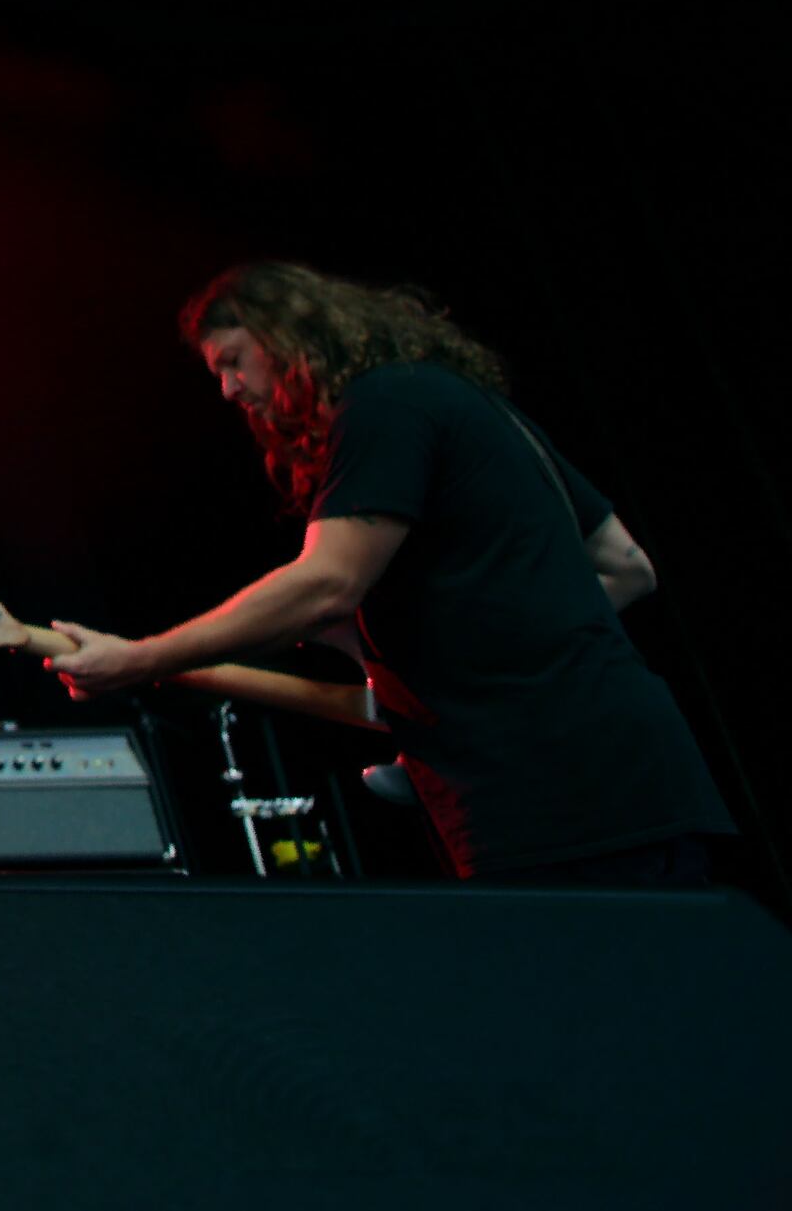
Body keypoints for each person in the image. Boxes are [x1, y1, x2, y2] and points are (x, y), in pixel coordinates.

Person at [50, 261, 730, 884]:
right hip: (635, 777)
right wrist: (471, 658)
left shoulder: (381, 407)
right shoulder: (461, 403)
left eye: (233, 361)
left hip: (558, 803)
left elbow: (325, 584)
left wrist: (140, 657)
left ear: (287, 334)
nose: (229, 389)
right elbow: (627, 565)